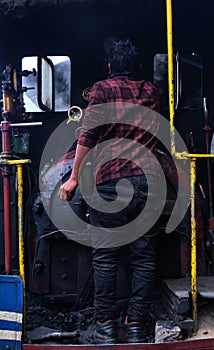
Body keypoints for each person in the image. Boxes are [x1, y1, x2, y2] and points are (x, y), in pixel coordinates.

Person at [58, 38, 162, 344]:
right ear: (140, 67)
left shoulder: (103, 89)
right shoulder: (152, 92)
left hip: (111, 181)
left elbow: (88, 134)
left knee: (105, 257)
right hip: (148, 182)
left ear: (109, 67)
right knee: (144, 258)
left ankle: (105, 329)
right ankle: (136, 327)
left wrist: (74, 178)